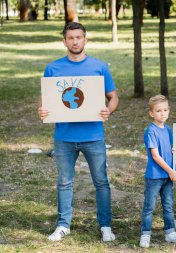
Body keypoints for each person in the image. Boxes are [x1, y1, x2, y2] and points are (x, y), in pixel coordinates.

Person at [38, 22, 119, 242]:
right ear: (64, 41)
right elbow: (45, 98)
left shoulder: (99, 67)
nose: (75, 41)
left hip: (93, 136)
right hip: (64, 137)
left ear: (85, 39)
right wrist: (42, 109)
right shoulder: (53, 68)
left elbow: (113, 97)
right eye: (71, 37)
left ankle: (105, 226)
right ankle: (63, 225)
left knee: (101, 181)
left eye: (79, 37)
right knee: (64, 182)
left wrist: (108, 110)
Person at [139, 95, 176, 248]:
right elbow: (155, 156)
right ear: (151, 113)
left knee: (168, 205)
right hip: (155, 176)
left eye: (165, 110)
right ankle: (145, 234)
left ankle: (170, 232)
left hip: (167, 176)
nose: (162, 113)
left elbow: (170, 148)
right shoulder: (151, 130)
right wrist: (171, 171)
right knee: (149, 206)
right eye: (158, 111)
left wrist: (174, 151)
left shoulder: (168, 129)